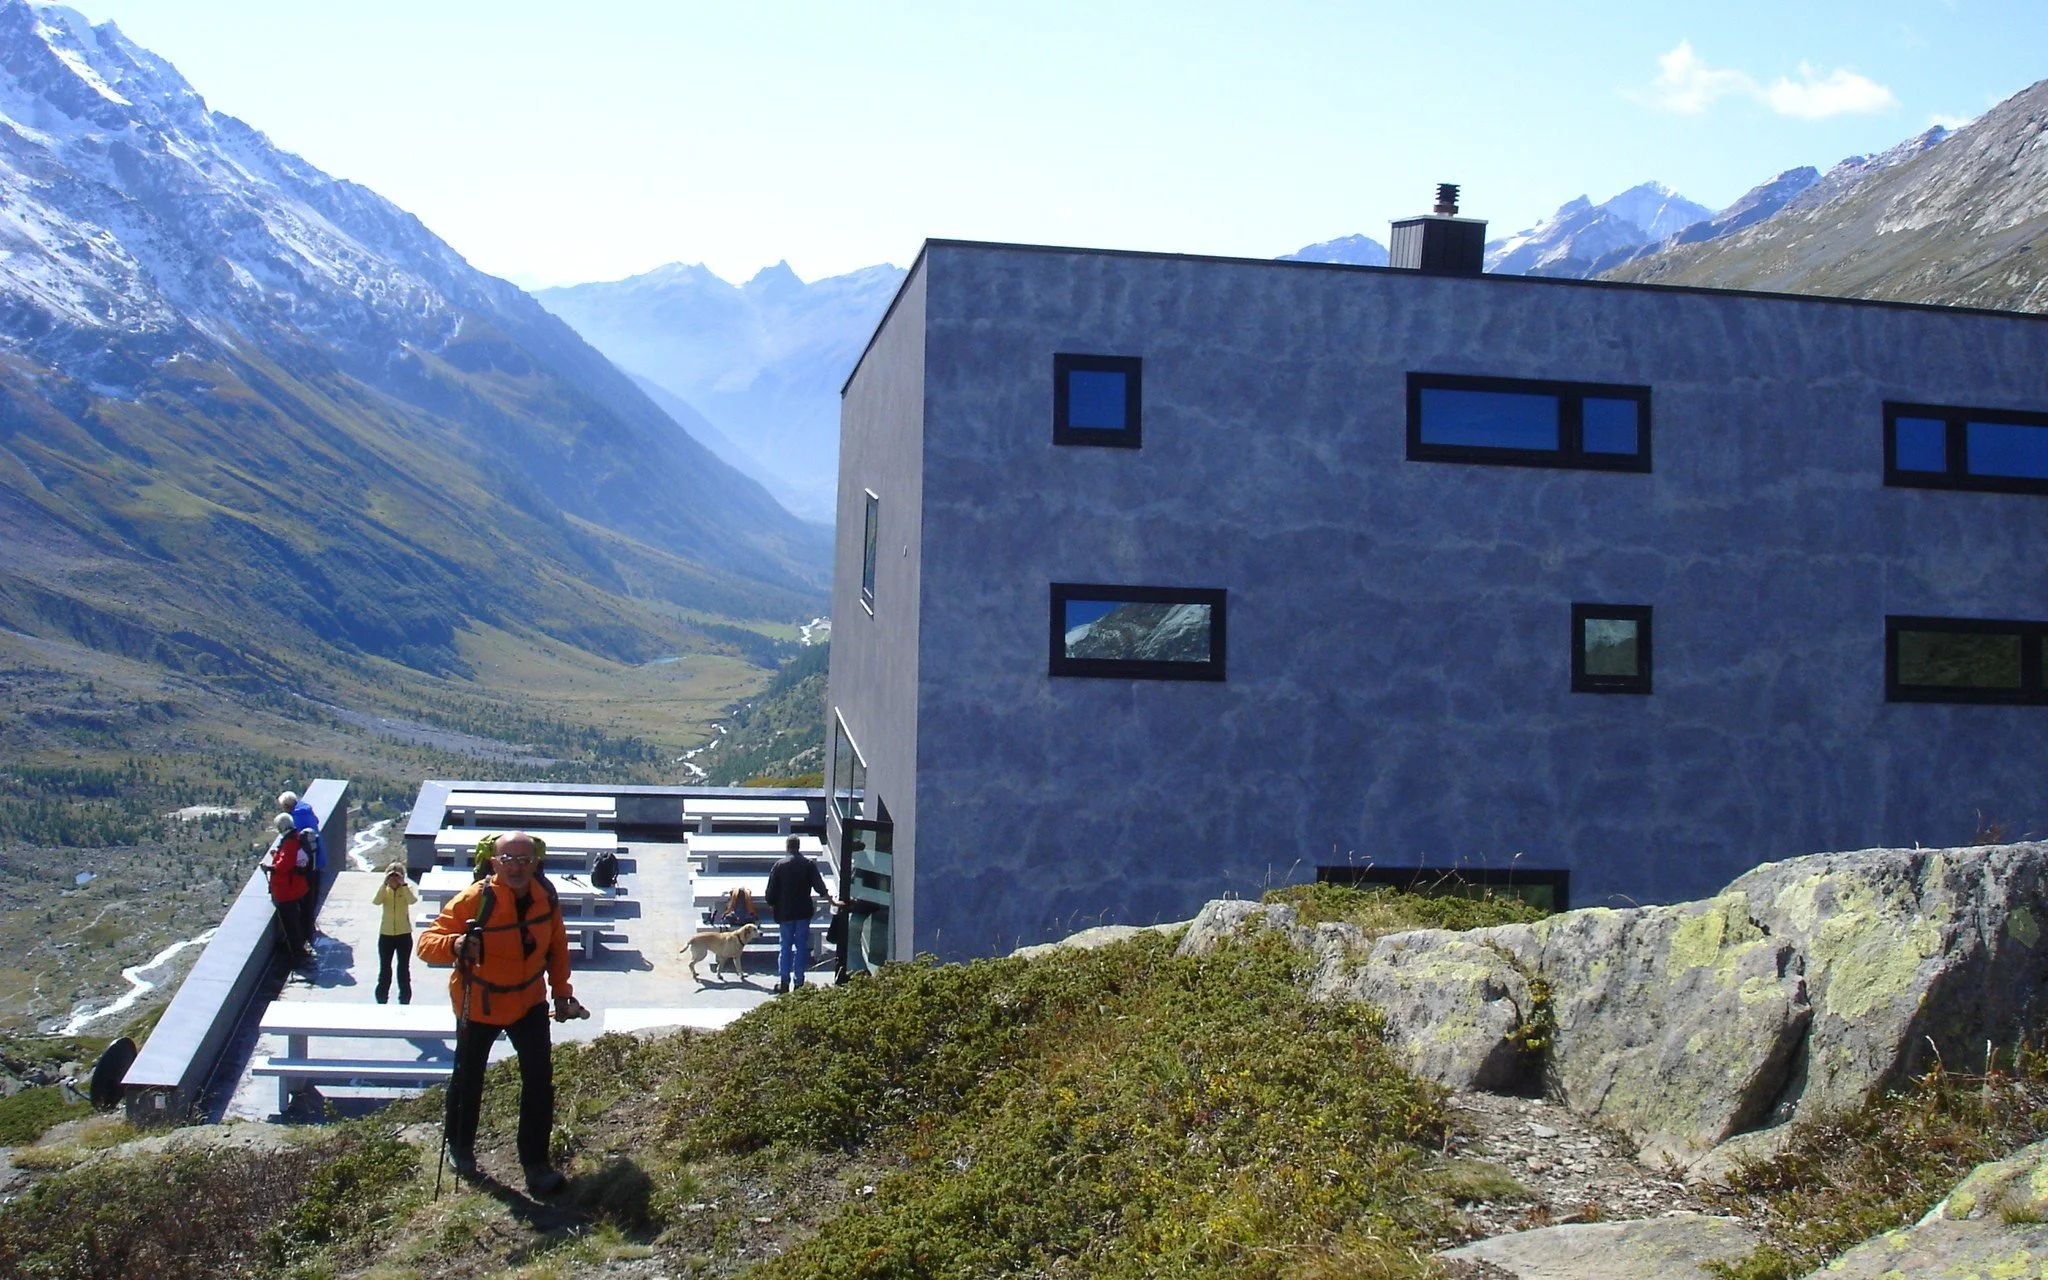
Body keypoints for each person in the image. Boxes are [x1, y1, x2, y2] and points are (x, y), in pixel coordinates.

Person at [417, 831, 588, 1194]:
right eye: (508, 860)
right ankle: (460, 1148)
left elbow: (557, 947)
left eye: (525, 860)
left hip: (529, 1002)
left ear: (536, 863)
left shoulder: (548, 898)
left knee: (539, 1081)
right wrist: (456, 944)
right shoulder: (474, 900)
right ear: (494, 863)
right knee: (468, 1078)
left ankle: (535, 1163)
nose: (517, 867)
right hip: (479, 1003)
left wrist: (562, 993)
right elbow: (426, 944)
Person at [762, 835, 838, 994]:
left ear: (787, 847)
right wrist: (833, 902)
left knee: (785, 947)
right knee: (801, 946)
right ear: (798, 847)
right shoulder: (808, 865)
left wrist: (772, 904)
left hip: (784, 913)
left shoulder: (779, 866)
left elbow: (770, 894)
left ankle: (784, 982)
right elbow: (820, 887)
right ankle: (799, 982)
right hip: (803, 912)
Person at [260, 813, 312, 965]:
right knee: (294, 920)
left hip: (286, 891)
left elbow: (285, 865)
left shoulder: (289, 842)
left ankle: (297, 954)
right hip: (294, 887)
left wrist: (270, 867)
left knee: (290, 924)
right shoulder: (295, 838)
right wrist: (277, 855)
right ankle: (299, 950)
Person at [371, 861, 418, 1004]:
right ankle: (381, 999)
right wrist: (385, 883)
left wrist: (402, 884)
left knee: (403, 969)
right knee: (385, 970)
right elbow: (376, 901)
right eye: (391, 876)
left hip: (404, 934)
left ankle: (404, 1000)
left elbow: (412, 900)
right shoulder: (384, 891)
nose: (394, 879)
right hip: (386, 935)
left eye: (397, 876)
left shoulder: (406, 889)